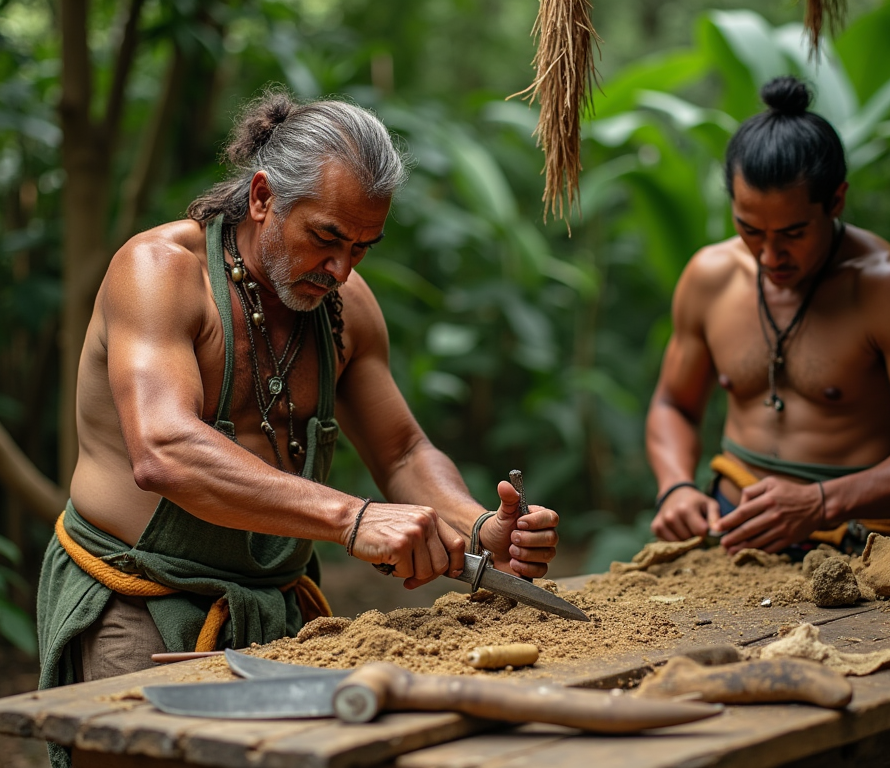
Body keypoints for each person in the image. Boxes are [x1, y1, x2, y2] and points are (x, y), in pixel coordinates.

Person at [37, 91, 560, 714]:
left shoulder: (346, 307)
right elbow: (164, 450)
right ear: (262, 198)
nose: (340, 269)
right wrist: (353, 518)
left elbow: (401, 451)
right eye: (326, 237)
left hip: (279, 610)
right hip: (136, 598)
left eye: (362, 247)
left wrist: (478, 529)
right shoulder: (160, 272)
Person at [646, 75, 890, 558]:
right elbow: (673, 405)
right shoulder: (710, 277)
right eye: (749, 230)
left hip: (861, 544)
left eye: (793, 232)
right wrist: (676, 485)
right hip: (734, 533)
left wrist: (822, 500)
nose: (769, 255)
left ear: (836, 201)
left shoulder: (889, 287)